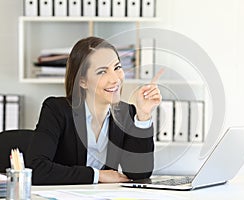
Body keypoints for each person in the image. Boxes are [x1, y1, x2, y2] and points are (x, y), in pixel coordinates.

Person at [26, 36, 162, 185]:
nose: (115, 79)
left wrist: (143, 115)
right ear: (82, 81)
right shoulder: (57, 110)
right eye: (102, 72)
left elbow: (139, 173)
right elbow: (36, 169)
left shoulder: (126, 113)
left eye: (117, 67)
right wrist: (97, 176)